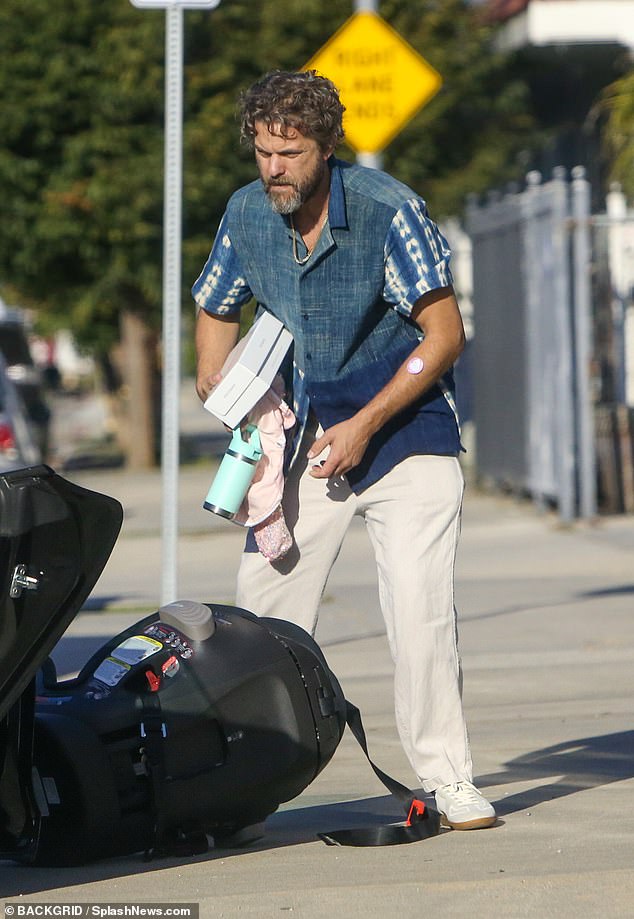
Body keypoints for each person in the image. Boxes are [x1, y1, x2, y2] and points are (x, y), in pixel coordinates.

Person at [192, 70, 496, 831]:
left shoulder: (390, 210)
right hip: (305, 437)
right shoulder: (245, 213)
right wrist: (219, 383)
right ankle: (245, 783)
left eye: (289, 153)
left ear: (327, 146)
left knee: (419, 608)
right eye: (263, 152)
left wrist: (366, 423)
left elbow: (445, 335)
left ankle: (448, 776)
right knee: (258, 617)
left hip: (405, 429)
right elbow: (214, 306)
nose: (273, 169)